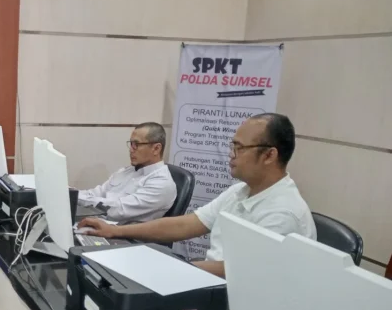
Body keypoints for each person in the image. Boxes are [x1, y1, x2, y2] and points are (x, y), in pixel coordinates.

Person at [79, 113, 316, 278]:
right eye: (232, 147)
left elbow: (239, 272)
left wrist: (172, 268)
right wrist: (116, 231)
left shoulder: (282, 213)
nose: (231, 154)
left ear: (269, 155)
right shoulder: (240, 191)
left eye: (239, 148)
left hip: (235, 306)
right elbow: (187, 224)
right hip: (209, 282)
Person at [79, 122, 176, 223]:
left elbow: (115, 210)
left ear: (156, 149)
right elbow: (97, 193)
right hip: (98, 223)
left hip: (120, 231)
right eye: (131, 144)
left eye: (136, 144)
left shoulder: (162, 183)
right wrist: (71, 193)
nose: (131, 150)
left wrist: (76, 197)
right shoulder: (126, 171)